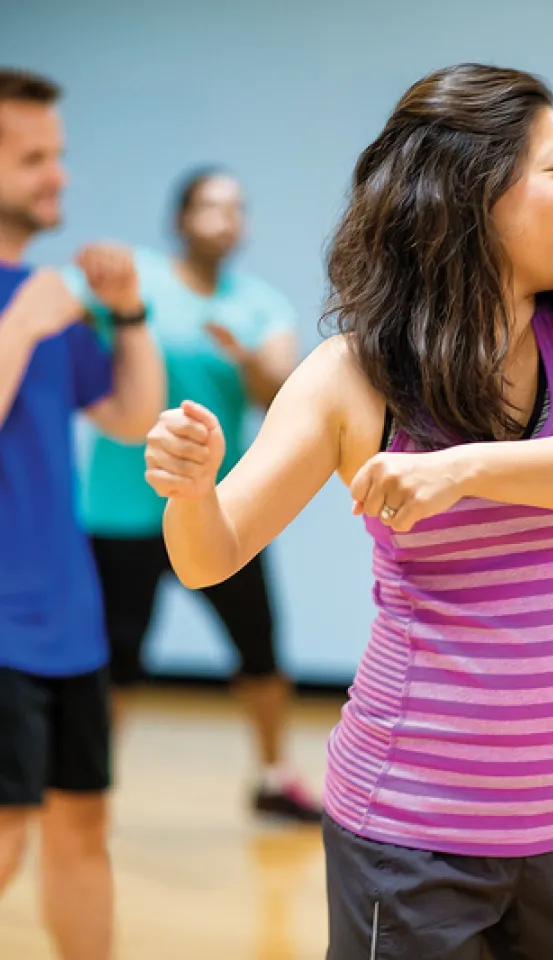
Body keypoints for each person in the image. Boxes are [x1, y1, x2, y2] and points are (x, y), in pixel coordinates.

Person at [144, 63, 553, 960]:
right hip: (409, 832)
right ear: (475, 194)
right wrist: (191, 494)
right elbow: (211, 553)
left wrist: (461, 470)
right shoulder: (355, 375)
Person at [67, 168, 323, 823]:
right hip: (122, 512)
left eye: (237, 208)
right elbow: (58, 315)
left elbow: (282, 398)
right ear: (180, 219)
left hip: (220, 512)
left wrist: (246, 357)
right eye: (211, 207)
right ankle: (92, 784)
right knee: (117, 661)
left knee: (260, 650)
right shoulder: (135, 283)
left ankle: (273, 777)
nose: (226, 219)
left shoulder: (259, 306)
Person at [0, 68, 164, 959]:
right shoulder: (31, 306)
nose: (58, 176)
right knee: (4, 839)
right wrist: (20, 326)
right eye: (34, 159)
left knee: (80, 830)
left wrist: (129, 312)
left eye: (56, 155)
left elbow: (132, 419)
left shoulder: (50, 299)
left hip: (67, 619)